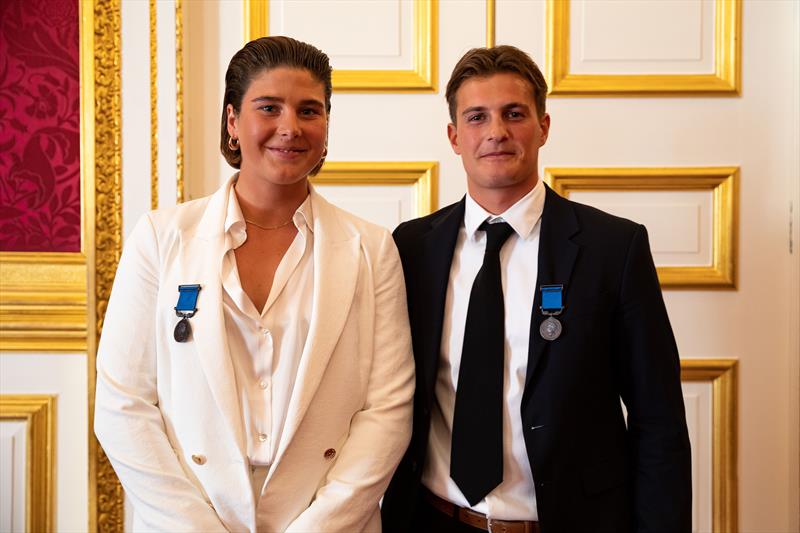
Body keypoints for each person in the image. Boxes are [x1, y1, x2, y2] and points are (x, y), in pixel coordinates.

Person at [94, 36, 414, 532]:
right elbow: (122, 405)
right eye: (269, 107)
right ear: (232, 122)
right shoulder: (161, 239)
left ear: (326, 129)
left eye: (310, 110)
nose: (290, 128)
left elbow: (388, 410)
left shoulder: (371, 249)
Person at [381, 45, 691, 533]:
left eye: (514, 114)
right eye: (477, 117)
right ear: (454, 136)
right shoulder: (411, 248)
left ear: (543, 126)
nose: (496, 132)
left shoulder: (615, 249)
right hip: (433, 521)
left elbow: (659, 420)